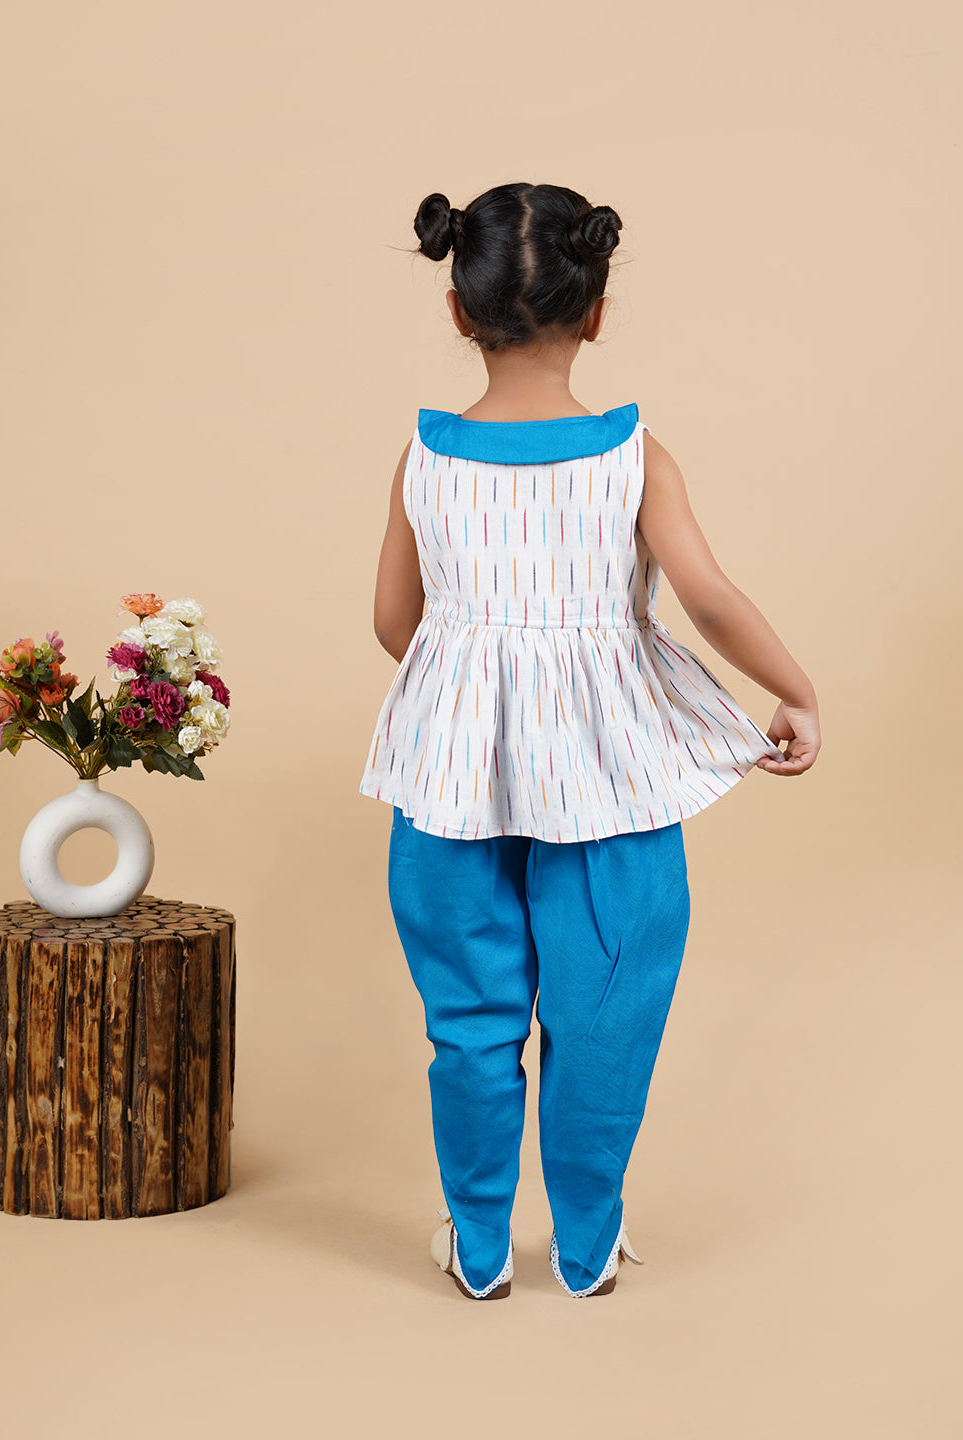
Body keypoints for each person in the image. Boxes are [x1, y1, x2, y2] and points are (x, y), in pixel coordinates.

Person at [358, 183, 821, 1301]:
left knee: (468, 1017)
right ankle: (584, 1246)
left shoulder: (425, 458)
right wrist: (794, 686)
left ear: (460, 312)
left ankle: (476, 1249)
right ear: (598, 310)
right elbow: (705, 598)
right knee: (607, 1004)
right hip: (610, 774)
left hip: (450, 778)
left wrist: (474, 673)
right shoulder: (634, 457)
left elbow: (392, 625)